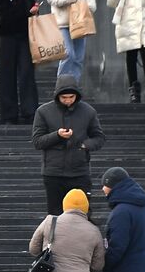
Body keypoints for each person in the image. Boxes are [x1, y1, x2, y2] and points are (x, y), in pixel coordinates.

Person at [31, 74, 105, 216]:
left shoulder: (88, 111)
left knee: (83, 214)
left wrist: (84, 145)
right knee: (55, 215)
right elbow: (37, 141)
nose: (68, 101)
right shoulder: (43, 112)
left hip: (79, 172)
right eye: (64, 98)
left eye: (71, 97)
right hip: (53, 173)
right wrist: (57, 135)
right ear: (57, 96)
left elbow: (99, 137)